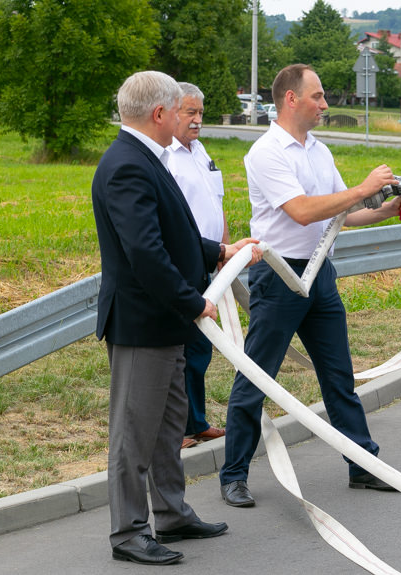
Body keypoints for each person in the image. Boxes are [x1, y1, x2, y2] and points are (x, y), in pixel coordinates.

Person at [218, 64, 401, 508]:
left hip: (318, 273)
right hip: (281, 275)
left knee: (338, 376)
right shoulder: (267, 152)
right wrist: (364, 187)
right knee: (256, 377)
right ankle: (233, 475)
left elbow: (340, 215)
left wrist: (387, 208)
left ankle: (363, 464)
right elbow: (304, 212)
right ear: (291, 99)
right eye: (318, 96)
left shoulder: (318, 151)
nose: (325, 105)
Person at [91, 70, 260, 565]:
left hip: (165, 322)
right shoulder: (128, 164)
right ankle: (128, 532)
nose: (188, 116)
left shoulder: (151, 157)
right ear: (160, 113)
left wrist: (221, 251)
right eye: (180, 107)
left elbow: (175, 232)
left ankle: (171, 513)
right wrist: (192, 302)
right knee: (133, 432)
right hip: (144, 322)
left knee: (168, 427)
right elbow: (145, 252)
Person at [166, 82, 229, 449]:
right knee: (181, 348)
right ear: (171, 111)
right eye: (190, 112)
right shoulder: (167, 157)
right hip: (181, 261)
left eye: (200, 113)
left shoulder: (201, 151)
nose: (197, 121)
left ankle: (196, 421)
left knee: (201, 346)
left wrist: (224, 249)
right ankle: (178, 428)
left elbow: (213, 202)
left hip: (210, 259)